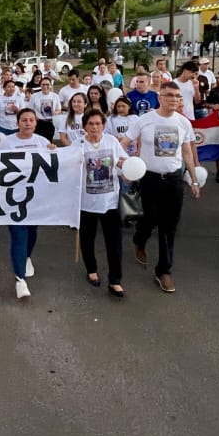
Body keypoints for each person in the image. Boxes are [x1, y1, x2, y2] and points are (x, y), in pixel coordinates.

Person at [126, 82, 200, 293]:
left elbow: (186, 152)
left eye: (177, 96)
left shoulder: (184, 123)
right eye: (169, 95)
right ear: (160, 97)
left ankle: (163, 271)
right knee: (151, 218)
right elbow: (125, 142)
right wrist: (125, 165)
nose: (173, 99)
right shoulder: (144, 120)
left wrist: (193, 180)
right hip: (150, 179)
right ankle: (140, 239)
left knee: (170, 226)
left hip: (174, 180)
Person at [0, 109, 55, 298]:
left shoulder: (43, 142)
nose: (28, 123)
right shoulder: (7, 143)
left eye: (31, 120)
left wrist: (55, 153)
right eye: (24, 120)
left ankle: (27, 257)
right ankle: (20, 279)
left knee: (32, 232)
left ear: (36, 123)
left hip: (36, 198)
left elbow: (53, 166)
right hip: (14, 197)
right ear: (17, 122)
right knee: (18, 235)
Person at [77, 110, 129, 297]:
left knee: (114, 242)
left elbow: (123, 161)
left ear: (103, 125)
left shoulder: (112, 142)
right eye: (90, 124)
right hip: (87, 202)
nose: (94, 127)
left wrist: (126, 168)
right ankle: (91, 270)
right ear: (85, 126)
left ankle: (115, 280)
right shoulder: (79, 145)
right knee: (87, 239)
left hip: (110, 202)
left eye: (98, 123)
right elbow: (67, 167)